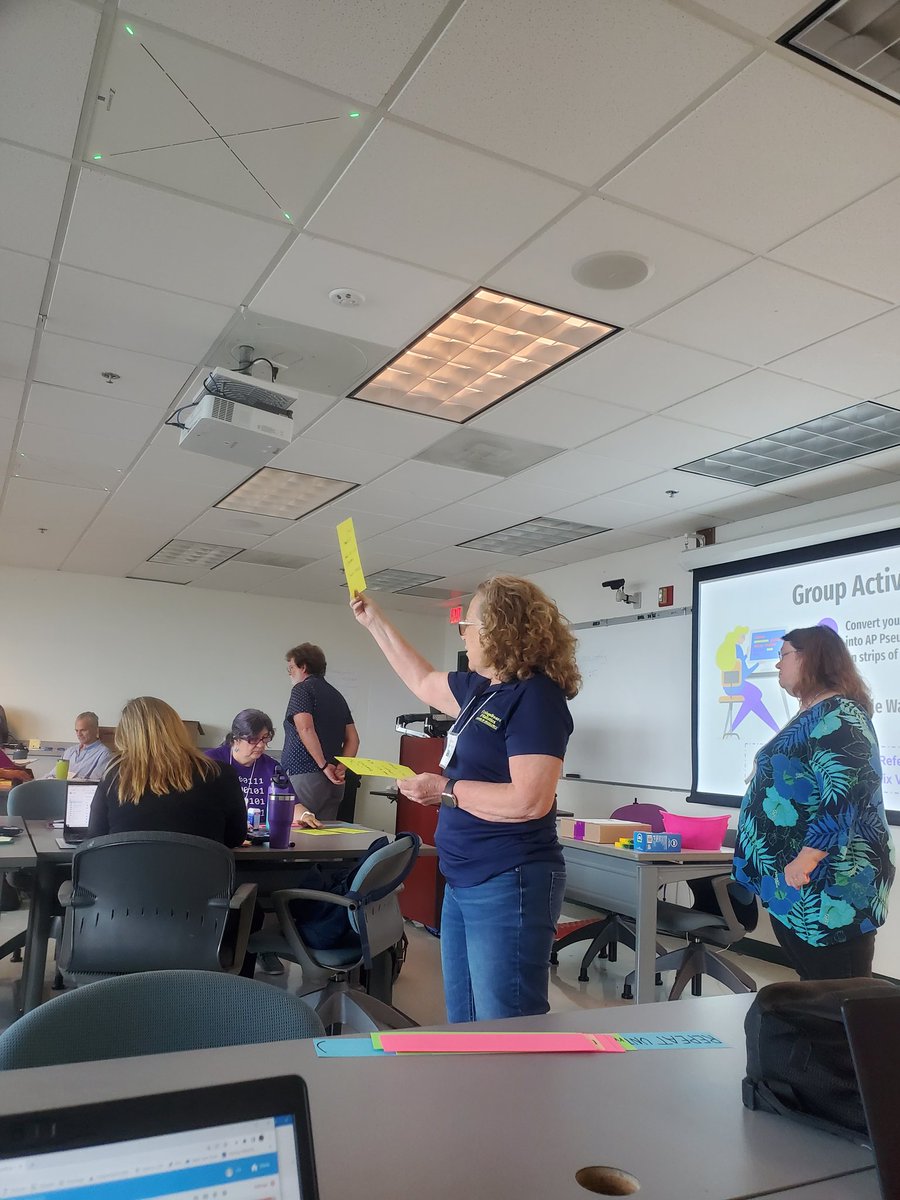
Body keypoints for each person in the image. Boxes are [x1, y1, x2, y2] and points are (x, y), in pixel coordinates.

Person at [351, 574, 579, 1023]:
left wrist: (445, 790)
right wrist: (373, 621)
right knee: (465, 1018)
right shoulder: (482, 691)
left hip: (508, 879)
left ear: (500, 629)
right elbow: (419, 679)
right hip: (464, 877)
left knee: (506, 1022)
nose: (462, 634)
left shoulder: (536, 699)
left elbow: (529, 801)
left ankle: (518, 1096)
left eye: (467, 623)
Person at [733, 626, 895, 981]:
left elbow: (848, 788)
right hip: (799, 884)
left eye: (784, 655)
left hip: (829, 884)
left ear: (811, 658)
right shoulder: (816, 712)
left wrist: (809, 855)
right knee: (815, 989)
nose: (777, 665)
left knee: (839, 995)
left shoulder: (841, 716)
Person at [87, 697, 246, 847]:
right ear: (177, 727)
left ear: (125, 734)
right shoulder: (220, 773)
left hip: (126, 875)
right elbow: (235, 837)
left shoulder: (114, 775)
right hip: (200, 875)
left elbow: (95, 838)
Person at [206, 709, 322, 832]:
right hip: (222, 831)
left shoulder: (272, 767)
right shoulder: (210, 762)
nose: (261, 745)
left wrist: (305, 816)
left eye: (265, 739)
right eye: (254, 739)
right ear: (236, 738)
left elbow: (290, 804)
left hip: (260, 833)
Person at [282, 644, 359, 822]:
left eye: (291, 667)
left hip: (304, 773)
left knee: (297, 832)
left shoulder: (302, 690)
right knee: (323, 838)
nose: (290, 672)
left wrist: (323, 766)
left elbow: (305, 728)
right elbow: (353, 739)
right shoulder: (337, 695)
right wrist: (342, 767)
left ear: (304, 667)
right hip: (334, 782)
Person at [716, 627, 779, 734]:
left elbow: (736, 666)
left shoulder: (730, 648)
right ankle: (733, 727)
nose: (744, 639)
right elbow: (744, 673)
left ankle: (776, 730)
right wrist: (759, 663)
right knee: (756, 694)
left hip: (728, 687)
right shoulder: (737, 648)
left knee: (754, 699)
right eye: (743, 636)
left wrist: (745, 656)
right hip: (737, 686)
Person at [47, 712, 113, 781]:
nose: (79, 734)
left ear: (96, 730)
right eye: (76, 730)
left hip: (79, 790)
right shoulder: (70, 751)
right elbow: (52, 775)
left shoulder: (104, 754)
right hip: (59, 787)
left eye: (83, 730)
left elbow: (94, 783)